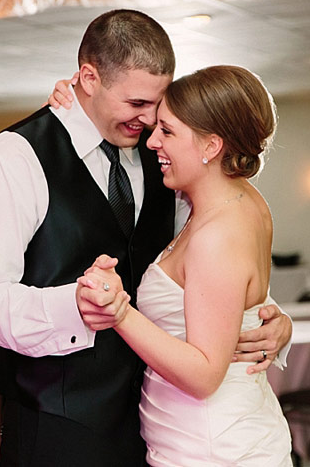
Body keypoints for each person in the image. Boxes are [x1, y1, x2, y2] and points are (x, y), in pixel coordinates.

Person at [0, 9, 292, 467]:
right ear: (88, 79)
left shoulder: (167, 155)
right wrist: (73, 307)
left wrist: (267, 319)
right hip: (60, 428)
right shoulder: (13, 158)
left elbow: (214, 258)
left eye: (158, 104)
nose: (150, 119)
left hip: (160, 426)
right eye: (137, 104)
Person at [77, 65, 292, 465]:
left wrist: (119, 310)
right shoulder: (239, 202)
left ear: (211, 146)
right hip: (210, 435)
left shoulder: (217, 233)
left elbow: (204, 375)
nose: (153, 140)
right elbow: (233, 301)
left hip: (213, 447)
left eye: (168, 131)